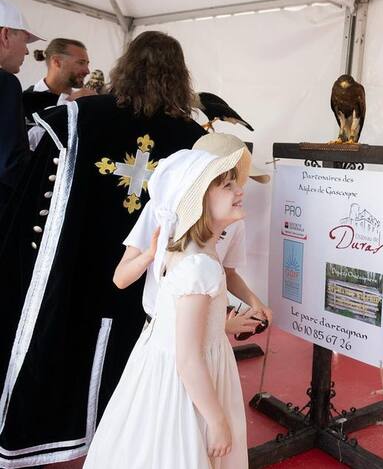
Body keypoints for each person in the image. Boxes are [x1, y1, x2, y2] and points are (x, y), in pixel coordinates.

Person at [0, 31, 206, 467]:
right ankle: (125, 444)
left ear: (126, 66)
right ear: (180, 74)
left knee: (73, 337)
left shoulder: (83, 115)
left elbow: (37, 183)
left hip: (82, 257)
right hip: (149, 266)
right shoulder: (191, 135)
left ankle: (66, 435)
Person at [84, 147, 249, 468]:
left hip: (165, 368)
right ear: (199, 200)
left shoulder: (190, 253)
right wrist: (215, 420)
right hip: (185, 384)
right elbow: (188, 359)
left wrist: (222, 327)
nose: (240, 189)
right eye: (227, 185)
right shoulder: (199, 266)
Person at [124, 132, 273, 337]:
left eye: (237, 180)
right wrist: (151, 254)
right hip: (164, 333)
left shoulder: (234, 221)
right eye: (228, 182)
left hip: (207, 333)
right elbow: (121, 279)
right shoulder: (162, 212)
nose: (240, 190)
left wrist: (254, 303)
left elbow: (228, 274)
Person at [0, 0, 42, 210]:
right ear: (5, 35)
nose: (26, 52)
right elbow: (11, 164)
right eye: (25, 41)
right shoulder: (4, 82)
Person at [22, 37, 93, 120]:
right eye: (81, 63)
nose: (87, 71)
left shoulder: (84, 100)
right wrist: (69, 104)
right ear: (57, 62)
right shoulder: (23, 101)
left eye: (87, 64)